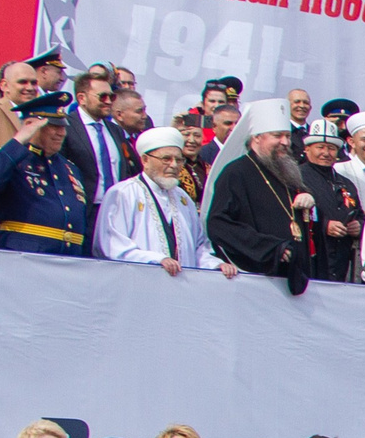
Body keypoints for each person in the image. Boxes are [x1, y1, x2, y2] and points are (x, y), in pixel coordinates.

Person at [204, 98, 313, 292]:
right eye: (277, 136)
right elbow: (218, 224)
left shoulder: (286, 170)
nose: (285, 142)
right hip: (254, 276)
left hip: (291, 273)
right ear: (257, 138)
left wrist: (311, 204)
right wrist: (271, 248)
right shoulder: (236, 173)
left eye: (287, 136)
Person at [94, 126, 235, 275]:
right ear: (145, 160)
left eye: (179, 160)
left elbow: (198, 247)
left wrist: (216, 264)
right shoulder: (123, 193)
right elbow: (112, 246)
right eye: (166, 159)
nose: (174, 165)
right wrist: (157, 259)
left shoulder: (183, 198)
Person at [0, 91, 89, 255]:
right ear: (32, 125)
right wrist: (20, 139)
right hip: (23, 256)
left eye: (63, 127)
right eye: (54, 126)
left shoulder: (69, 168)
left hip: (67, 259)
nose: (61, 133)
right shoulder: (10, 158)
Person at [60, 67, 133, 240]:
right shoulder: (66, 127)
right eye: (103, 96)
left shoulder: (115, 130)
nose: (109, 101)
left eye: (112, 97)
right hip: (86, 211)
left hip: (117, 211)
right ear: (82, 98)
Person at [296, 118, 365, 282]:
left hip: (341, 258)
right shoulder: (296, 177)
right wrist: (324, 225)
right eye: (320, 147)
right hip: (313, 256)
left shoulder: (345, 183)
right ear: (307, 149)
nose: (326, 153)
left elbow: (359, 214)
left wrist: (359, 225)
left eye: (331, 148)